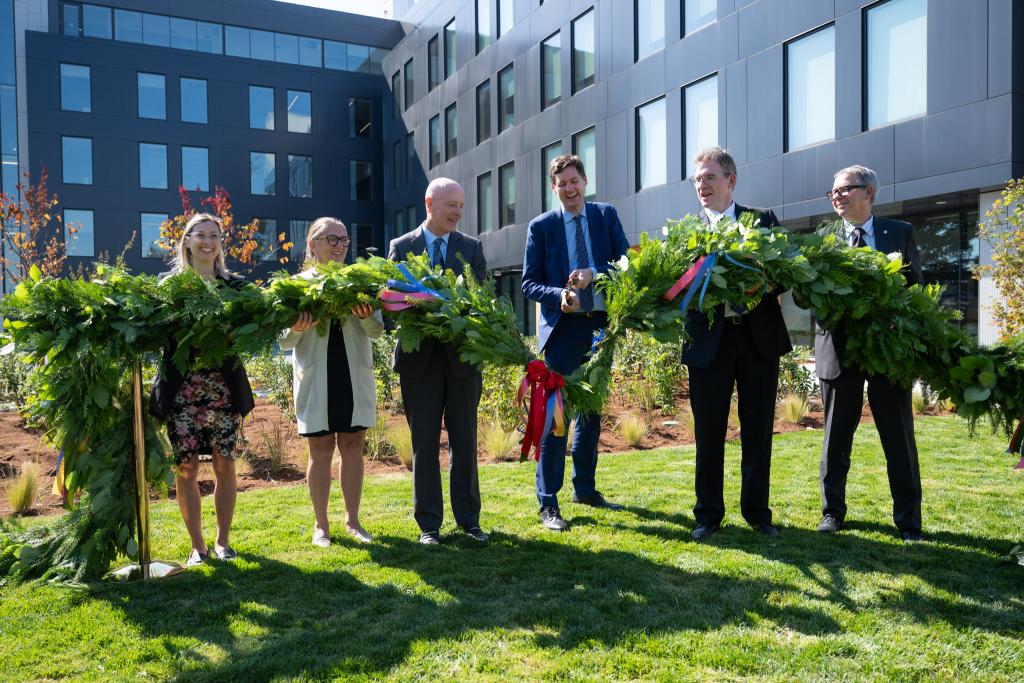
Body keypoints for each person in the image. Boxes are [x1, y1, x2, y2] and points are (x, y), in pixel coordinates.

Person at [682, 146, 792, 542]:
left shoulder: (762, 220)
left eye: (709, 177)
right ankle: (708, 515)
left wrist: (760, 283)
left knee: (758, 430)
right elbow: (675, 290)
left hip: (756, 339)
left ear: (730, 180)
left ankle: (757, 513)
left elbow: (786, 271)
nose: (702, 185)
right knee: (708, 431)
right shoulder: (684, 232)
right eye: (697, 179)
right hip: (708, 343)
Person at [521, 154, 630, 532]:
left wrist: (594, 274)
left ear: (585, 181)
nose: (569, 189)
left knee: (592, 414)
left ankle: (585, 488)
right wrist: (557, 295)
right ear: (554, 189)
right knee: (556, 420)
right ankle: (548, 503)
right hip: (562, 335)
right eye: (561, 184)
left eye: (574, 181)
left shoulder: (605, 216)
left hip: (599, 329)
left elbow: (626, 263)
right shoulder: (542, 227)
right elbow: (528, 282)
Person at [816, 164, 925, 542]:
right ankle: (832, 513)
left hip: (887, 352)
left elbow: (916, 291)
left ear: (869, 193)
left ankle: (909, 521)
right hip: (838, 351)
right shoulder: (823, 240)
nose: (838, 196)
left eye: (846, 189)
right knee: (835, 438)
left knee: (898, 438)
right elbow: (805, 296)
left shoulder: (899, 233)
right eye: (834, 192)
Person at [388, 177, 489, 546]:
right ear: (430, 203)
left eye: (462, 206)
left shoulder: (472, 248)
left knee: (465, 441)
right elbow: (391, 302)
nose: (459, 212)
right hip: (419, 364)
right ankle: (429, 525)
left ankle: (469, 521)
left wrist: (449, 305)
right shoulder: (401, 247)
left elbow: (481, 302)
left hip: (463, 362)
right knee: (424, 444)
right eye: (452, 205)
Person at [149, 213, 255, 567]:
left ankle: (223, 542)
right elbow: (154, 334)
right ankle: (198, 546)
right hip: (182, 392)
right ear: (187, 242)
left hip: (224, 390)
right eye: (200, 235)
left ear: (221, 244)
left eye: (215, 235)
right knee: (187, 468)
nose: (207, 241)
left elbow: (253, 330)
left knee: (225, 463)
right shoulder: (168, 287)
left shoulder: (237, 288)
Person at [279, 217, 383, 547]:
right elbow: (282, 340)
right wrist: (297, 328)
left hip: (352, 375)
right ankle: (321, 526)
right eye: (332, 239)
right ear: (313, 244)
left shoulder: (361, 282)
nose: (339, 246)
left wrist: (366, 317)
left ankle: (353, 521)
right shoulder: (296, 286)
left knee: (353, 446)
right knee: (320, 450)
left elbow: (378, 331)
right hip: (316, 378)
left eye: (344, 240)